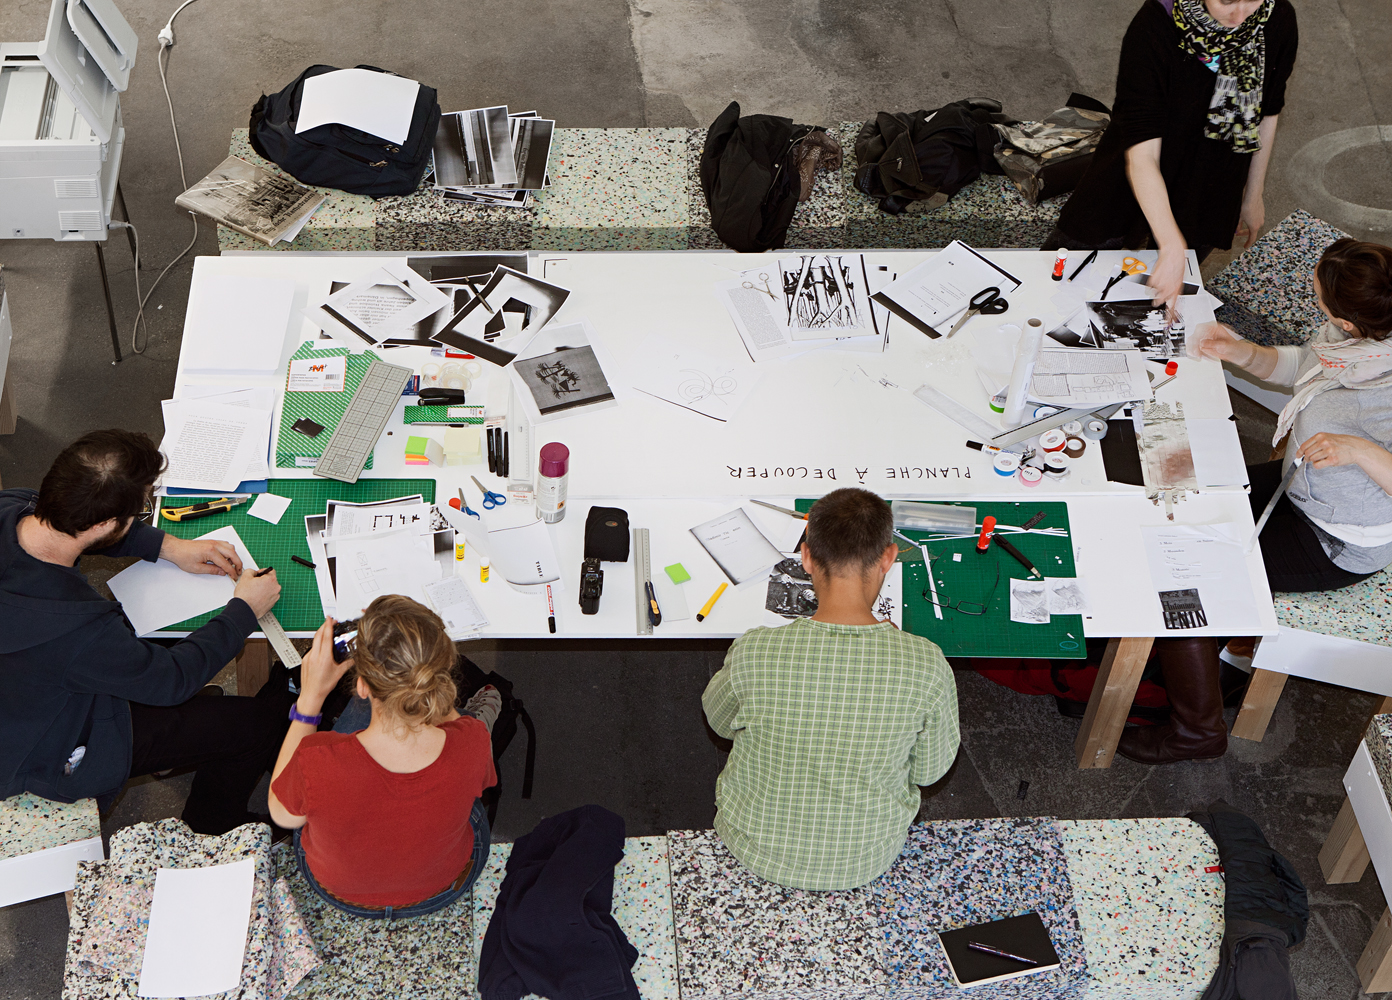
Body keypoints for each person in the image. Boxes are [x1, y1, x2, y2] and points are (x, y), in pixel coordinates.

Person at [1118, 238, 1392, 765]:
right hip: (1303, 488)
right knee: (1182, 491)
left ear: (1357, 323)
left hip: (1335, 540)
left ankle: (1196, 731)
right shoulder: (1352, 340)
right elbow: (1303, 369)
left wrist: (1360, 449)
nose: (1321, 315)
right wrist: (1240, 351)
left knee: (1182, 577)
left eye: (1324, 306)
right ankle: (1184, 661)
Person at [0, 430, 286, 834]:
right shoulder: (77, 627)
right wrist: (243, 611)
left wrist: (169, 546)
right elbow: (170, 680)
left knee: (161, 642)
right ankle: (214, 822)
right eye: (138, 514)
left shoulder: (13, 506)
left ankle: (180, 747)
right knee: (255, 723)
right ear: (105, 523)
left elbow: (85, 526)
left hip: (23, 687)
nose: (141, 520)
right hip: (47, 745)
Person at [701, 487, 959, 891]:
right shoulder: (926, 665)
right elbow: (930, 772)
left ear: (805, 557)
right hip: (868, 858)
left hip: (751, 844)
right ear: (889, 558)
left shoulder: (754, 651)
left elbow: (719, 724)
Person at [1046, 0, 1298, 310]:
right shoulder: (1154, 26)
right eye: (1227, 1)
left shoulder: (1277, 16)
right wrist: (1171, 243)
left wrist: (1252, 195)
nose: (1241, 15)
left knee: (1152, 308)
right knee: (1060, 276)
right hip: (1129, 174)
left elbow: (1267, 111)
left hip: (1211, 181)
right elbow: (1143, 155)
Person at [269, 596, 500, 916]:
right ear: (439, 680)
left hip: (340, 893)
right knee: (470, 786)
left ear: (362, 686)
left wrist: (310, 699)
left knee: (306, 801)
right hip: (442, 887)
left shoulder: (317, 756)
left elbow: (283, 816)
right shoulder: (473, 742)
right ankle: (470, 710)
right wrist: (441, 701)